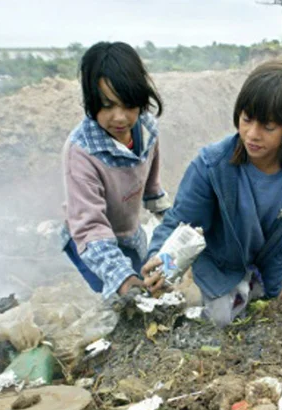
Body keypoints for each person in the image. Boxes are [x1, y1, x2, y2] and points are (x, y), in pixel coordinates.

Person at [142, 61, 282, 327]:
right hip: (217, 264)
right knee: (220, 319)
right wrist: (159, 260)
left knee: (258, 301)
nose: (252, 134)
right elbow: (181, 221)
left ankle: (252, 284)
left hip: (251, 265)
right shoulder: (212, 167)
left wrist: (274, 287)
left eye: (268, 127)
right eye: (246, 119)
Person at [60, 41, 171, 299]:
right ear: (91, 101)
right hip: (89, 240)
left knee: (150, 286)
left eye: (128, 104)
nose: (119, 118)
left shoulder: (147, 130)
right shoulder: (81, 152)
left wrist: (175, 225)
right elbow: (90, 227)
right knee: (119, 298)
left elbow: (152, 190)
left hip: (128, 234)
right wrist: (122, 278)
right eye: (107, 105)